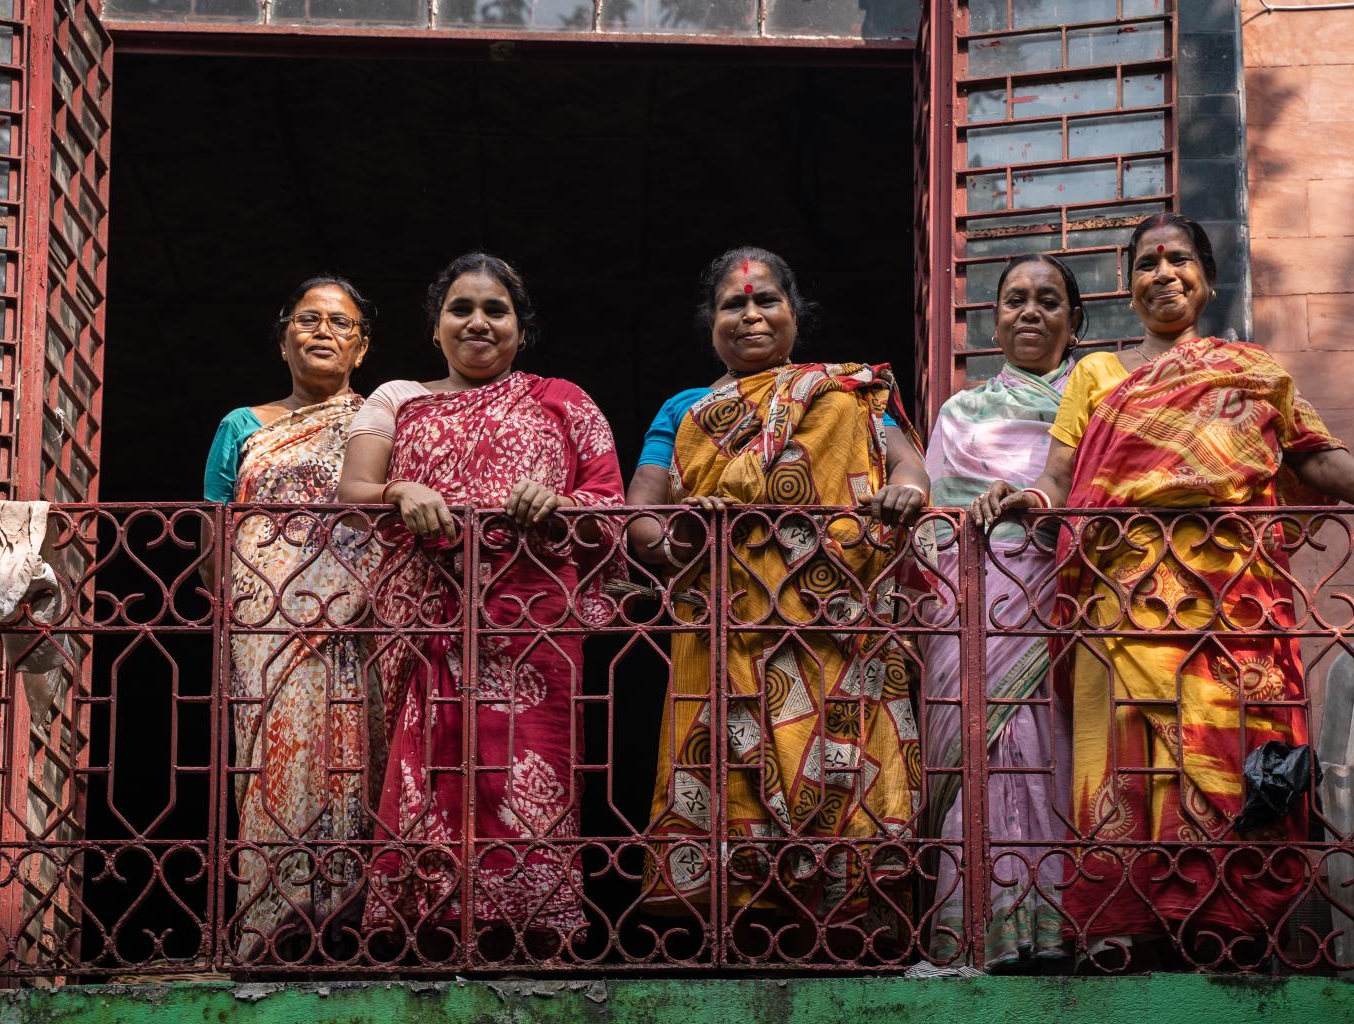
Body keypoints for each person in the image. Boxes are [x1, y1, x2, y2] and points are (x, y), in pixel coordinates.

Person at [989, 213, 1354, 963]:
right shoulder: (1098, 374)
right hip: (1122, 602)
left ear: (1207, 279)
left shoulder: (1256, 371)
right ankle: (1126, 935)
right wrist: (1029, 503)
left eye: (1179, 260)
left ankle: (1229, 932)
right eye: (1145, 263)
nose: (1162, 273)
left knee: (1228, 758)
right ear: (1128, 285)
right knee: (1130, 768)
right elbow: (1060, 479)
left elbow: (1319, 460)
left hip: (1234, 604)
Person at [626, 246, 929, 948]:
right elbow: (640, 507)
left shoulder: (845, 392)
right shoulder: (687, 408)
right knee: (731, 777)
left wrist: (907, 494)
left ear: (797, 315)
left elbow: (907, 465)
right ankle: (740, 939)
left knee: (841, 770)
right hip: (728, 617)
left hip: (832, 620)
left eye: (767, 301)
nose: (751, 315)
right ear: (711, 322)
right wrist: (664, 540)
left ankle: (850, 938)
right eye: (734, 304)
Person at [336, 252, 623, 954]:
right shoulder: (396, 397)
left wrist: (555, 504)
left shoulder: (565, 399)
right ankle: (426, 930)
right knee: (430, 772)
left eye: (496, 310)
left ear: (521, 331)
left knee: (527, 778)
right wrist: (403, 490)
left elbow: (611, 508)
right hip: (428, 622)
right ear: (435, 327)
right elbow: (352, 493)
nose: (478, 322)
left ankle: (529, 931)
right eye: (460, 308)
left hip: (532, 628)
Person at [202, 274, 380, 961]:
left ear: (361, 348)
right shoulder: (241, 426)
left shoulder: (378, 420)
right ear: (283, 340)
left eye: (340, 324)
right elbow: (213, 530)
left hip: (356, 621)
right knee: (273, 765)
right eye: (308, 320)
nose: (323, 332)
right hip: (264, 624)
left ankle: (350, 922)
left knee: (354, 757)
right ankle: (271, 923)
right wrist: (242, 611)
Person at [917, 254, 1083, 970]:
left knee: (1060, 752)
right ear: (994, 320)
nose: (1030, 312)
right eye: (1015, 299)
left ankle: (1068, 928)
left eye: (1049, 300)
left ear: (1075, 320)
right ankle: (981, 929)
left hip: (1069, 596)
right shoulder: (962, 413)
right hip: (976, 600)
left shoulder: (1101, 402)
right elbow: (929, 528)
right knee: (984, 755)